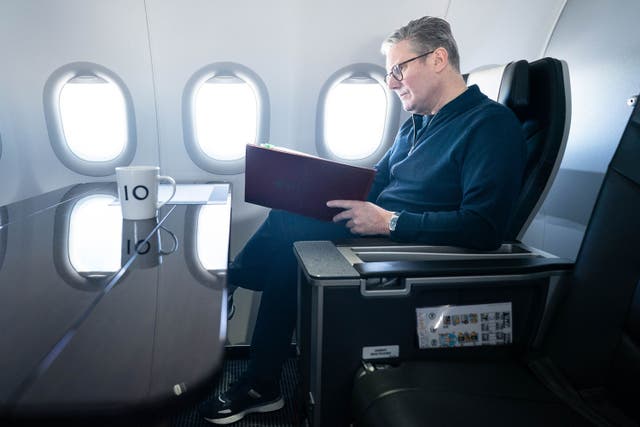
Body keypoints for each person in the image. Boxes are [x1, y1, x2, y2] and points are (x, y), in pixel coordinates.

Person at [199, 15, 526, 425]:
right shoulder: (418, 126)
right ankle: (259, 374)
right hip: (380, 227)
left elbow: (483, 227)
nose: (391, 83)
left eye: (398, 69)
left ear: (438, 59)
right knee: (289, 220)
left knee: (286, 228)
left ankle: (230, 295)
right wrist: (307, 181)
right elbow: (377, 183)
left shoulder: (490, 126)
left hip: (409, 245)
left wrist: (389, 222)